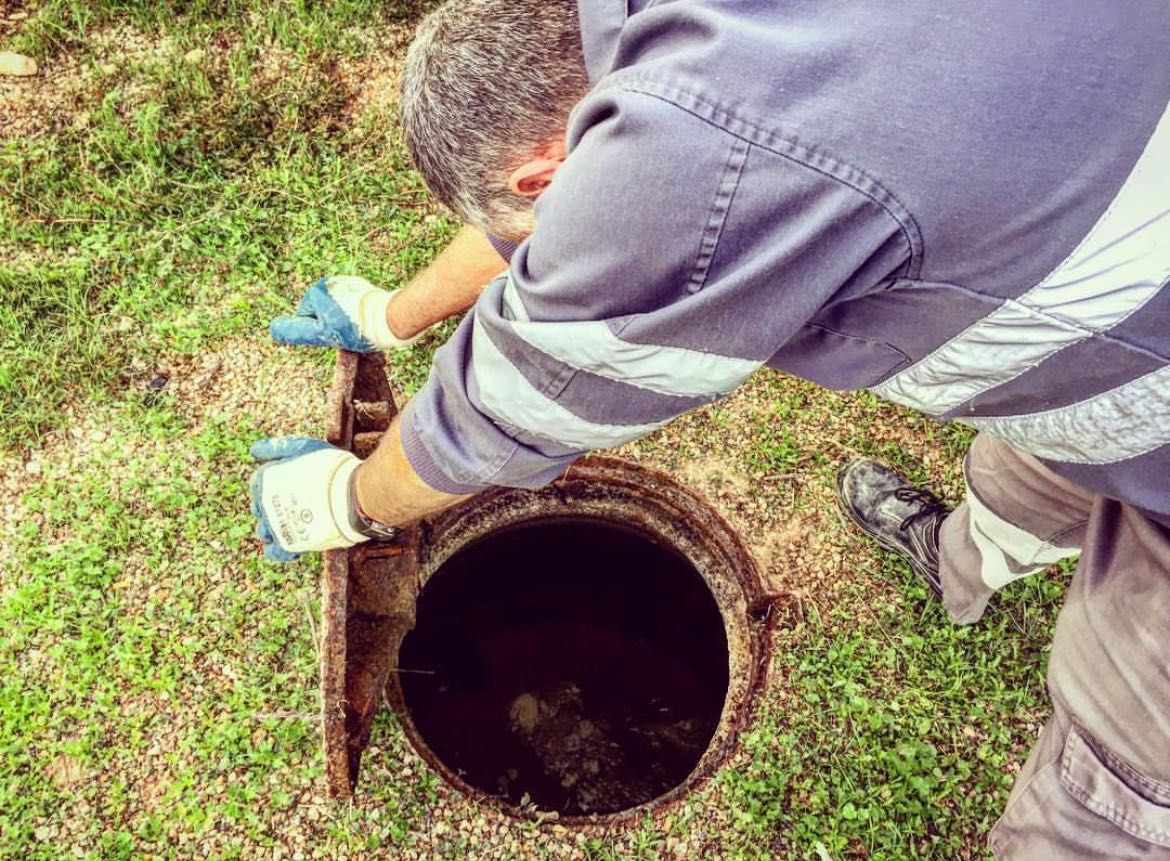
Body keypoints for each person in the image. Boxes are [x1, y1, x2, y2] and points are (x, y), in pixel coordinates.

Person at [249, 1, 1170, 856]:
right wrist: (391, 317)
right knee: (1035, 470)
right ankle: (962, 561)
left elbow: (504, 407)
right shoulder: (654, 38)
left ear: (548, 175)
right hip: (1108, 277)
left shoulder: (693, 172)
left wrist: (345, 499)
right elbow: (557, 209)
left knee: (1109, 787)